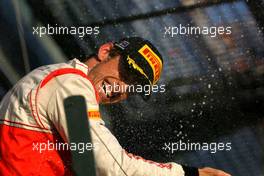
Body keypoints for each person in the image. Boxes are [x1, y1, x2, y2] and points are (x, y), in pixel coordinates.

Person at [0, 37, 231, 176]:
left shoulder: (67, 83)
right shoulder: (70, 85)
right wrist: (190, 173)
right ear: (105, 51)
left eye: (133, 87)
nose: (122, 87)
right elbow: (112, 166)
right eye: (127, 73)